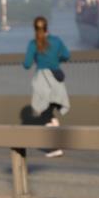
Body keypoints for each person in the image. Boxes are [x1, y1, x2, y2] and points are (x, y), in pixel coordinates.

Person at [24, 15, 71, 158]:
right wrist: (55, 60)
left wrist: (38, 60)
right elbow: (67, 55)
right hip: (56, 80)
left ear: (34, 28)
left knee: (46, 114)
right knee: (50, 113)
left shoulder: (33, 44)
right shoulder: (56, 41)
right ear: (46, 27)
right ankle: (56, 142)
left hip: (43, 82)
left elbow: (26, 64)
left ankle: (56, 146)